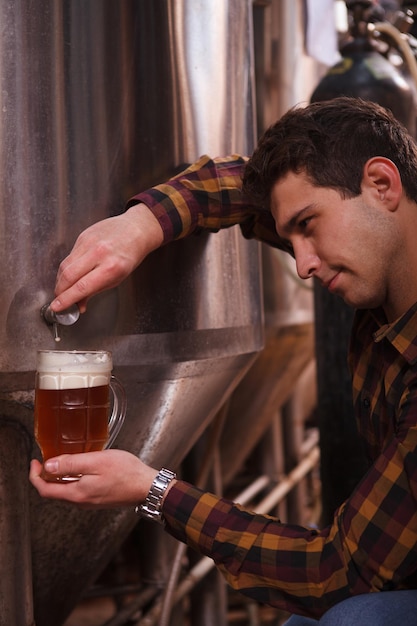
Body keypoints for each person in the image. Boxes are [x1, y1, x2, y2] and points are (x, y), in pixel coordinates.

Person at [30, 97, 417, 625]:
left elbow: (337, 574)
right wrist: (140, 225)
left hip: (361, 576)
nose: (302, 265)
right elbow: (242, 184)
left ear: (382, 185)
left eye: (308, 225)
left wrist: (153, 490)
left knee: (353, 620)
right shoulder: (379, 261)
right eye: (289, 237)